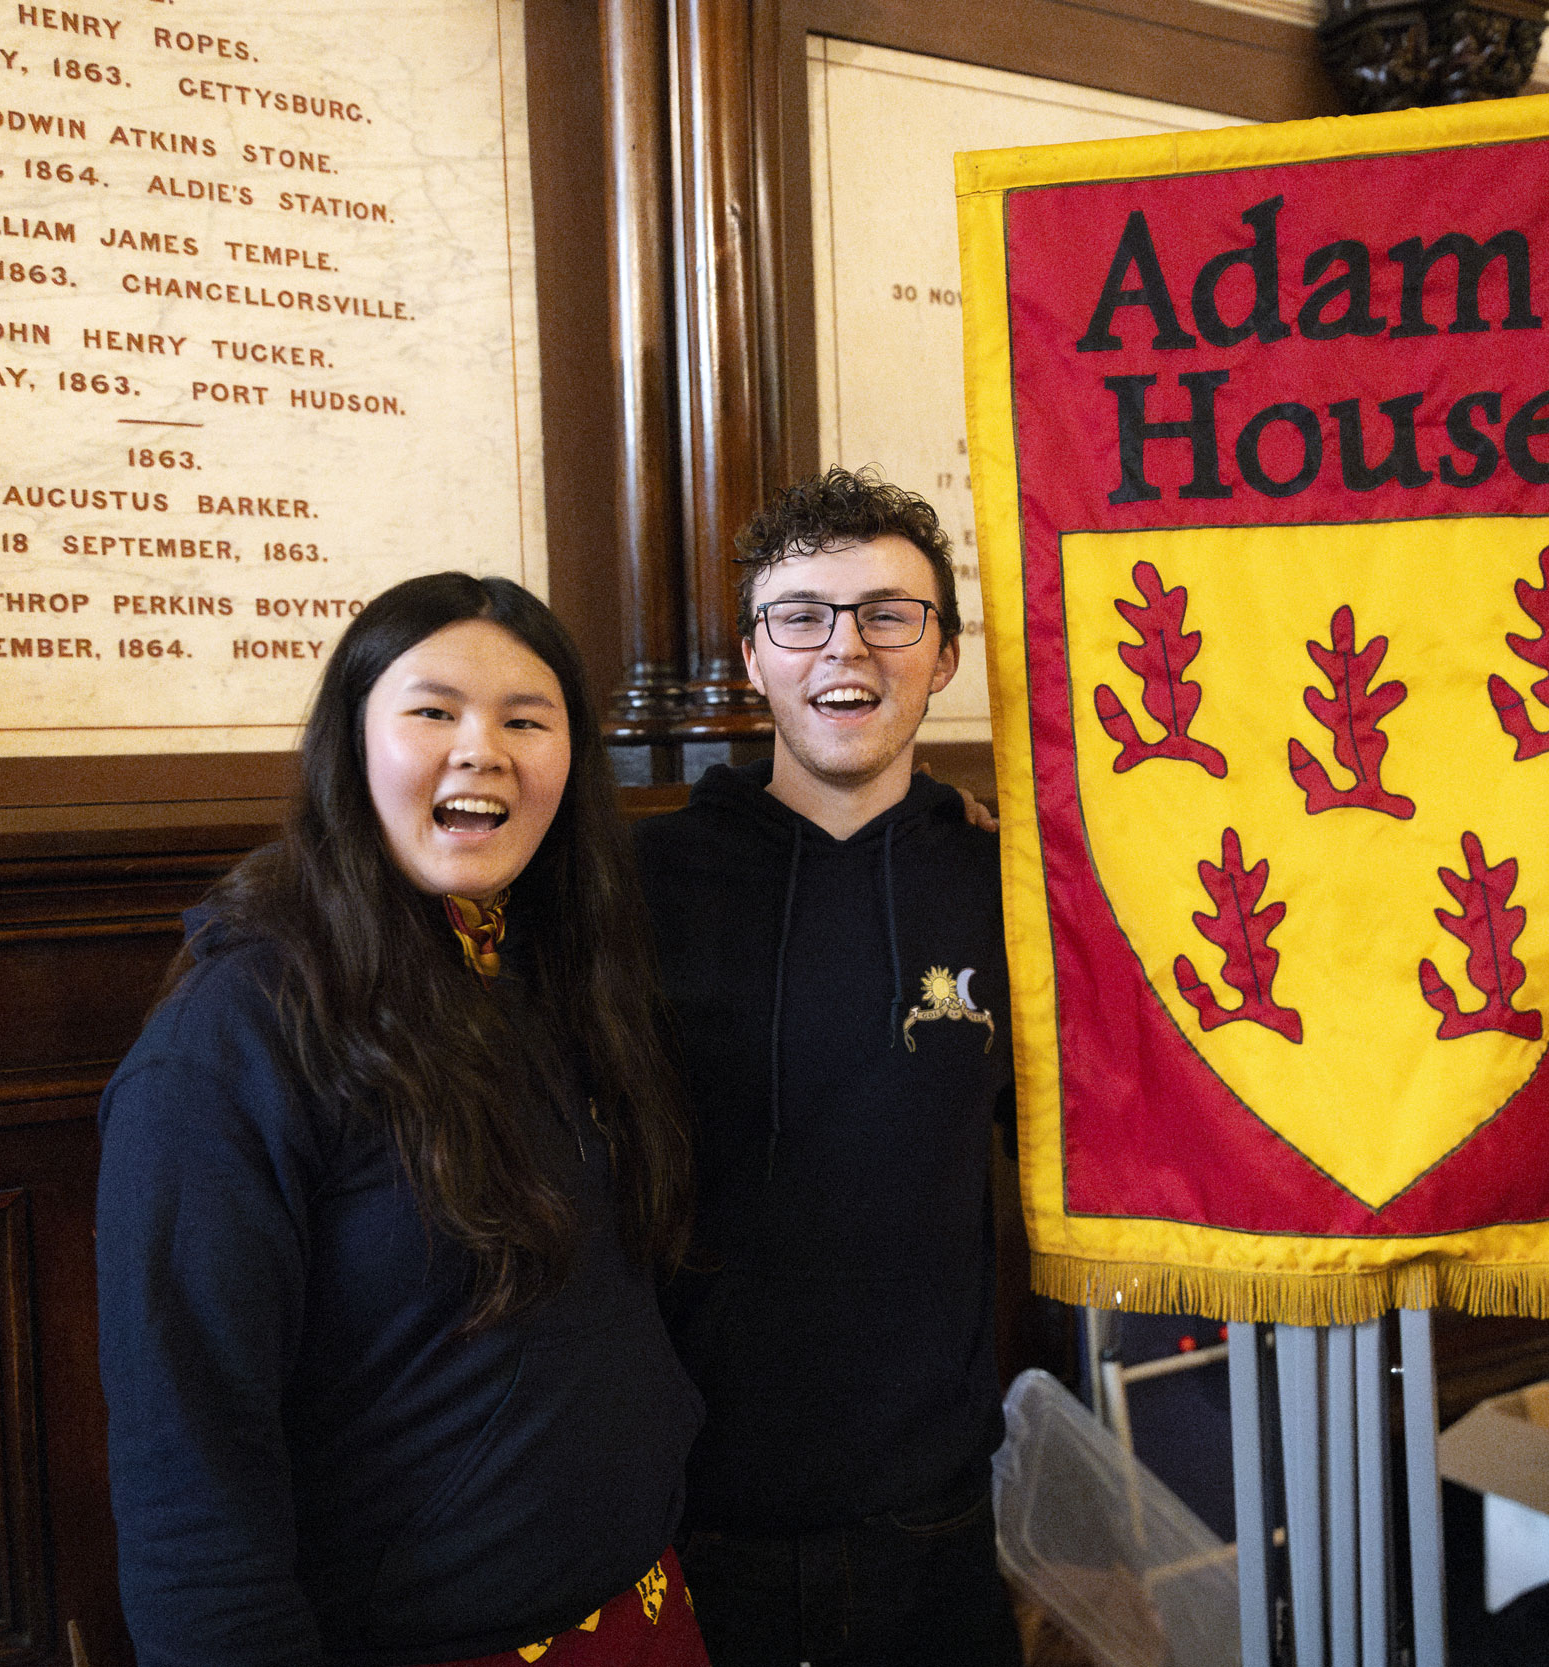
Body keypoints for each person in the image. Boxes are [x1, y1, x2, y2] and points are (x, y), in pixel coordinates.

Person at [96, 573, 709, 1667]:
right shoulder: (234, 1038)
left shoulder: (566, 970)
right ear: (353, 746)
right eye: (433, 711)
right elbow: (190, 1475)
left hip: (646, 1619)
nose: (483, 749)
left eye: (528, 719)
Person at [634, 469, 1024, 1667]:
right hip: (692, 1522)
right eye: (800, 614)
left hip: (942, 1515)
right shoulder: (637, 887)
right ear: (754, 658)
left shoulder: (1012, 888)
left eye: (887, 614)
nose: (842, 647)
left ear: (944, 654)